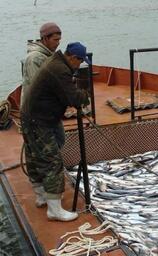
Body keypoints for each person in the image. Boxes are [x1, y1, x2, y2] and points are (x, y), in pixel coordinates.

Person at [20, 42, 91, 222]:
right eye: (80, 61)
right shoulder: (60, 69)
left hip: (32, 116)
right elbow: (73, 98)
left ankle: (42, 195)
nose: (79, 65)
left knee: (35, 156)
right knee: (52, 161)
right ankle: (54, 210)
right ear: (73, 58)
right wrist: (85, 95)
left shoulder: (54, 61)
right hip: (39, 120)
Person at [21, 22, 62, 106]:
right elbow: (37, 89)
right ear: (45, 39)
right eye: (55, 40)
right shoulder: (34, 59)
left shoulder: (48, 55)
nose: (58, 43)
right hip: (34, 110)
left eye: (59, 40)